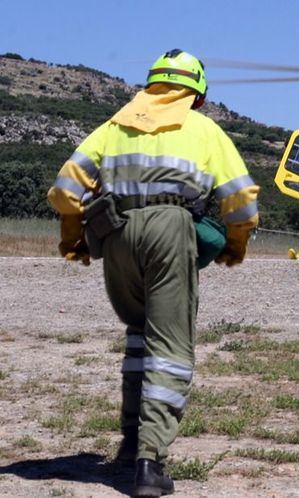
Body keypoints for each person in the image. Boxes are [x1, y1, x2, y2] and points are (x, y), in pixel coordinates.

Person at [47, 49, 259, 497]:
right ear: (196, 95)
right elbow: (242, 201)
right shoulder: (204, 129)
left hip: (116, 231)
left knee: (139, 333)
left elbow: (66, 190)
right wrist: (235, 245)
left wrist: (74, 241)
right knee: (170, 344)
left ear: (149, 86)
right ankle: (150, 461)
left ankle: (129, 441)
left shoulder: (113, 126)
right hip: (169, 228)